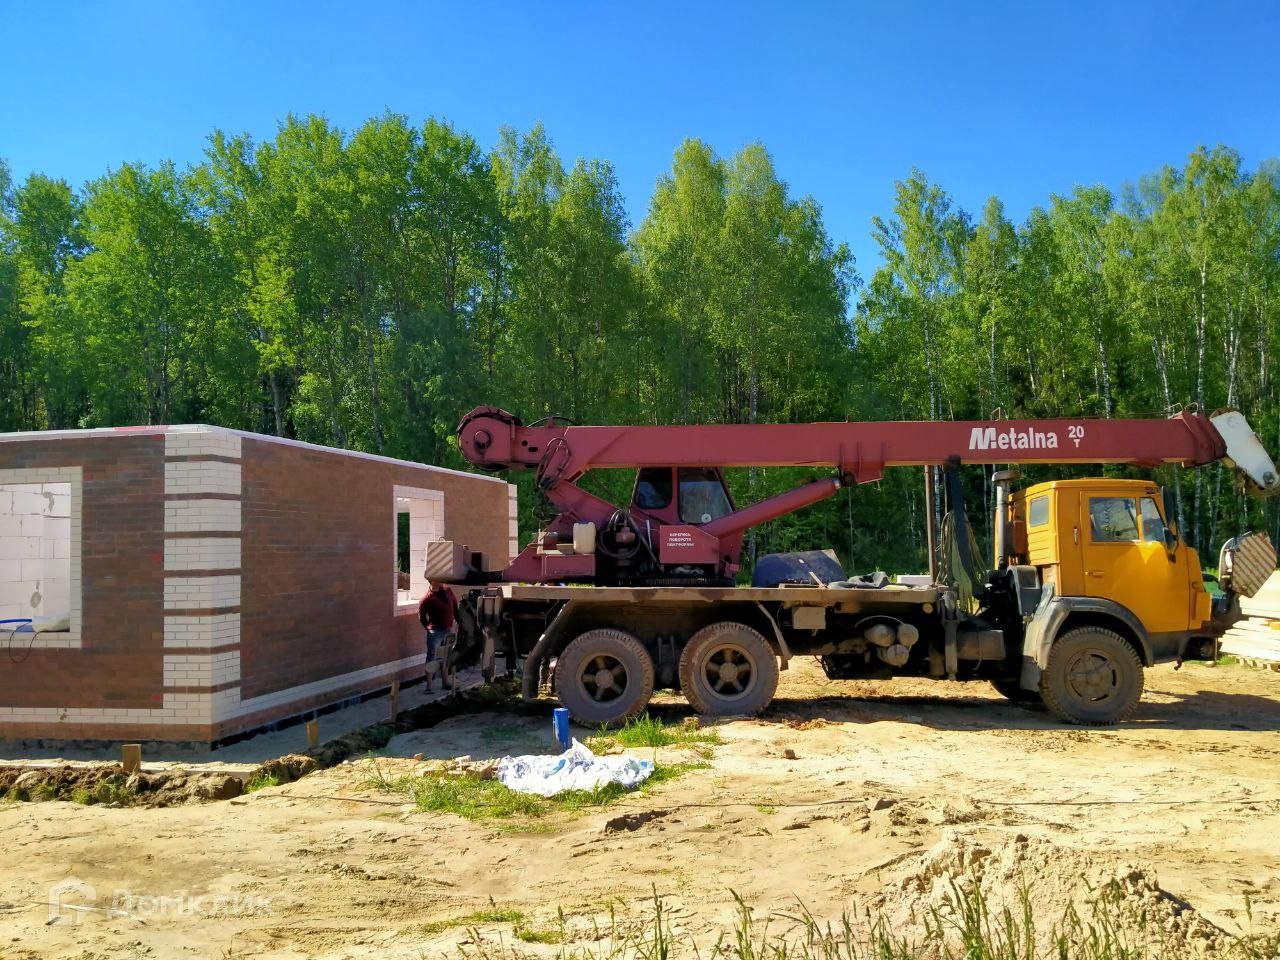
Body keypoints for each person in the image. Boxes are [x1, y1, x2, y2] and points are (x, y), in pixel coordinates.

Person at [417, 578, 457, 692]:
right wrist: (429, 629)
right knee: (431, 657)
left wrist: (458, 623)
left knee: (446, 657)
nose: (441, 580)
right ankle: (429, 686)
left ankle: (445, 683)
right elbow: (421, 617)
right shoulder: (427, 599)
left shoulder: (448, 591)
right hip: (435, 632)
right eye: (438, 578)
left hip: (448, 630)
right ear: (432, 581)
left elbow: (455, 607)